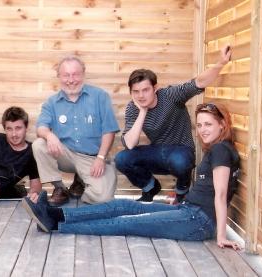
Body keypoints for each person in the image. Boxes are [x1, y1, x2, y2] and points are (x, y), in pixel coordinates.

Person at [22, 103, 242, 249]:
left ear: (223, 124)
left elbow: (220, 195)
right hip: (188, 211)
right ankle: (56, 214)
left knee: (126, 222)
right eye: (200, 124)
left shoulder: (222, 150)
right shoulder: (217, 149)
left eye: (209, 124)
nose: (203, 129)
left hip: (198, 221)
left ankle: (56, 225)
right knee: (121, 206)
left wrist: (221, 236)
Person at [114, 45, 232, 202]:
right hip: (156, 152)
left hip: (181, 151)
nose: (141, 95)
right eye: (136, 92)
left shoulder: (170, 96)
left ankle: (182, 192)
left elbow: (199, 82)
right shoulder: (133, 108)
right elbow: (130, 144)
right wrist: (142, 111)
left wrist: (221, 63)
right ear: (131, 92)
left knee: (180, 161)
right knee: (122, 158)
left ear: (155, 88)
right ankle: (150, 188)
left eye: (145, 90)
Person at [33, 55, 120, 206]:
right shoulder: (51, 102)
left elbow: (109, 130)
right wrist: (49, 135)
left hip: (92, 158)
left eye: (75, 74)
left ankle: (80, 182)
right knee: (39, 144)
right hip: (65, 154)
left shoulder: (100, 96)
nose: (71, 80)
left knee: (104, 198)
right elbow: (41, 127)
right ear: (59, 76)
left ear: (83, 74)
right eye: (66, 75)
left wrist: (100, 158)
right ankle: (60, 188)